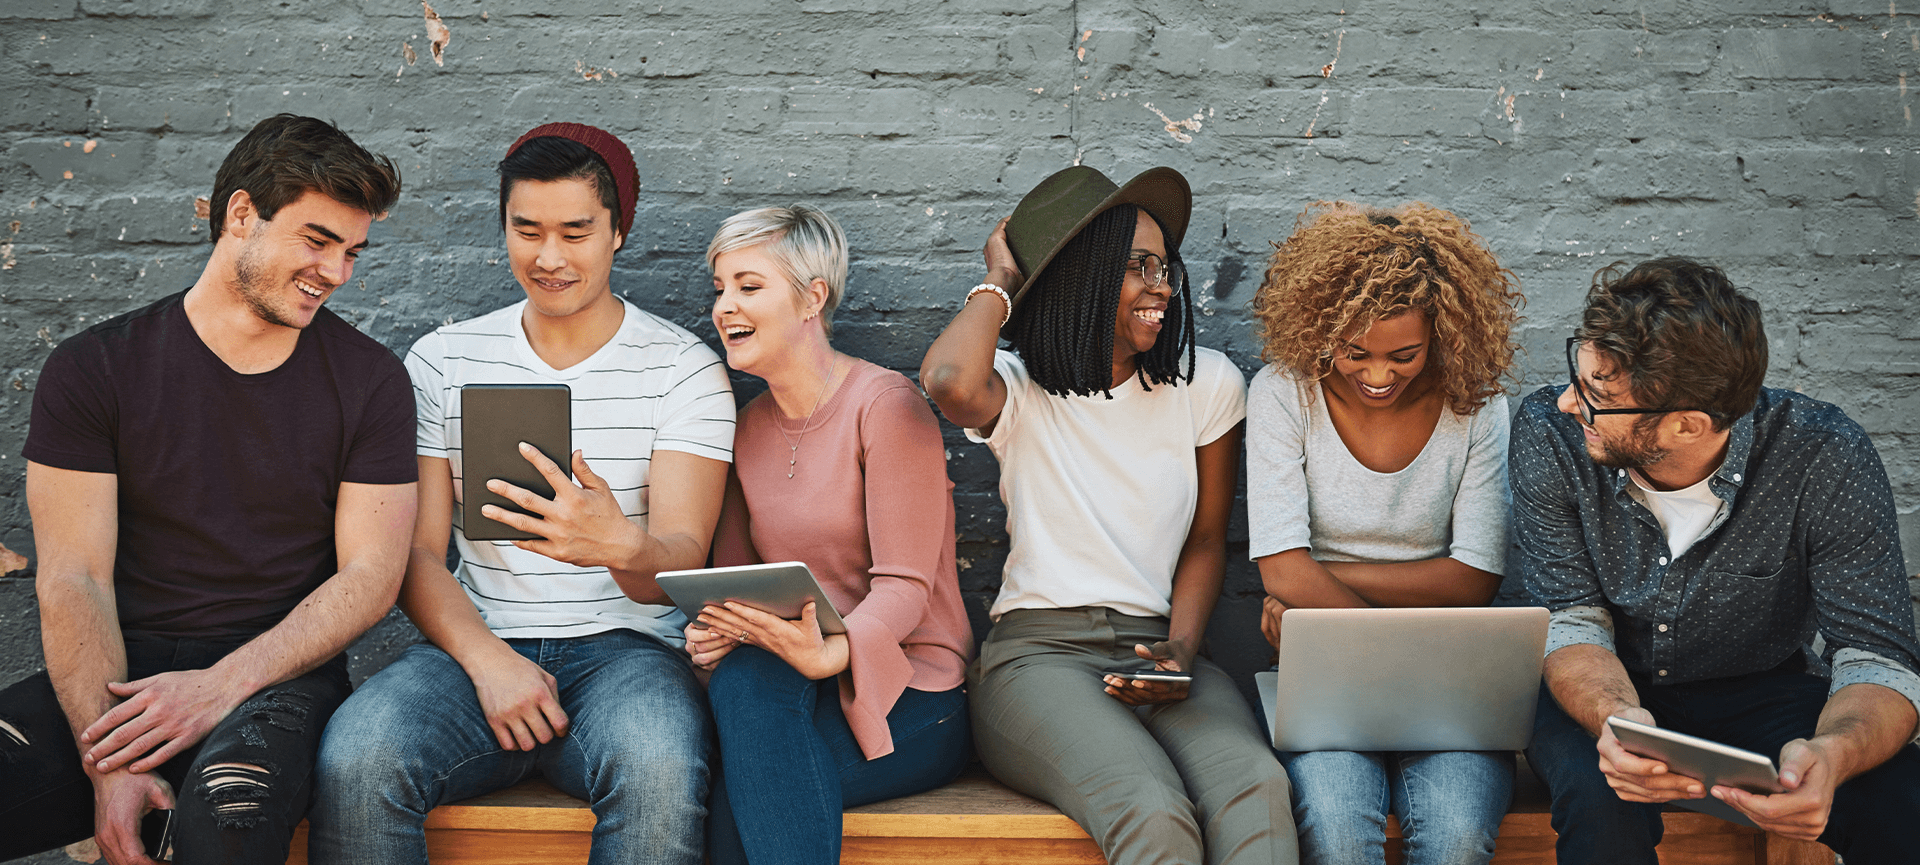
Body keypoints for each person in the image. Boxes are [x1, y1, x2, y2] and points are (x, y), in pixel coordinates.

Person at [310, 123, 734, 865]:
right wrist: (486, 657)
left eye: (576, 231)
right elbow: (414, 552)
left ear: (618, 233)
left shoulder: (682, 368)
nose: (549, 257)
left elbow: (680, 563)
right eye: (527, 230)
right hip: (474, 643)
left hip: (628, 654)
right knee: (358, 755)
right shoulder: (446, 359)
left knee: (661, 770)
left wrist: (618, 545)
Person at [0, 114, 413, 865]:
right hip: (121, 676)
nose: (339, 272)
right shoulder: (94, 369)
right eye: (318, 241)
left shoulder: (370, 380)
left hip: (277, 678)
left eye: (353, 251)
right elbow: (74, 577)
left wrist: (220, 686)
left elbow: (372, 574)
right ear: (242, 215)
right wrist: (112, 763)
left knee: (232, 818)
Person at [920, 165, 1296, 865]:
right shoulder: (1021, 390)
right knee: (1152, 812)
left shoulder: (1206, 384)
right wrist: (1002, 278)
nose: (1161, 285)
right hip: (1038, 658)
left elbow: (1209, 538)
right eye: (1137, 268)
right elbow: (947, 380)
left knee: (1259, 790)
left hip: (1161, 644)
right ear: (1085, 277)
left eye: (1165, 267)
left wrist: (1183, 647)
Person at [1514, 257, 1920, 864]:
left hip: (1761, 688)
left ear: (1686, 425)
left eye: (1598, 397)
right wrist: (1621, 720)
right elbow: (1571, 619)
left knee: (1901, 803)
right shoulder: (1550, 431)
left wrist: (1832, 755)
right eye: (1580, 376)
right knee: (1602, 803)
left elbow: (1876, 657)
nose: (1571, 404)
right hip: (1601, 683)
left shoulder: (1825, 455)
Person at [687, 204, 973, 865]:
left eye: (749, 286)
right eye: (720, 287)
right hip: (790, 683)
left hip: (912, 690)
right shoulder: (743, 427)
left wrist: (831, 655)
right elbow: (734, 585)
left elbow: (905, 588)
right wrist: (715, 629)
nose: (725, 305)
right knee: (744, 678)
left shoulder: (887, 405)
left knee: (739, 797)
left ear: (813, 296)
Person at [1246, 201, 1523, 865]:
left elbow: (1475, 577)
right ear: (1320, 330)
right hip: (1325, 679)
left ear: (1442, 333)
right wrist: (1298, 582)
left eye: (1404, 354)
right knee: (1338, 835)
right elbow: (1278, 570)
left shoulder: (1477, 404)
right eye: (1353, 353)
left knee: (1456, 834)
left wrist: (1315, 587)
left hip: (1448, 682)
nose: (1376, 375)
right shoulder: (1285, 394)